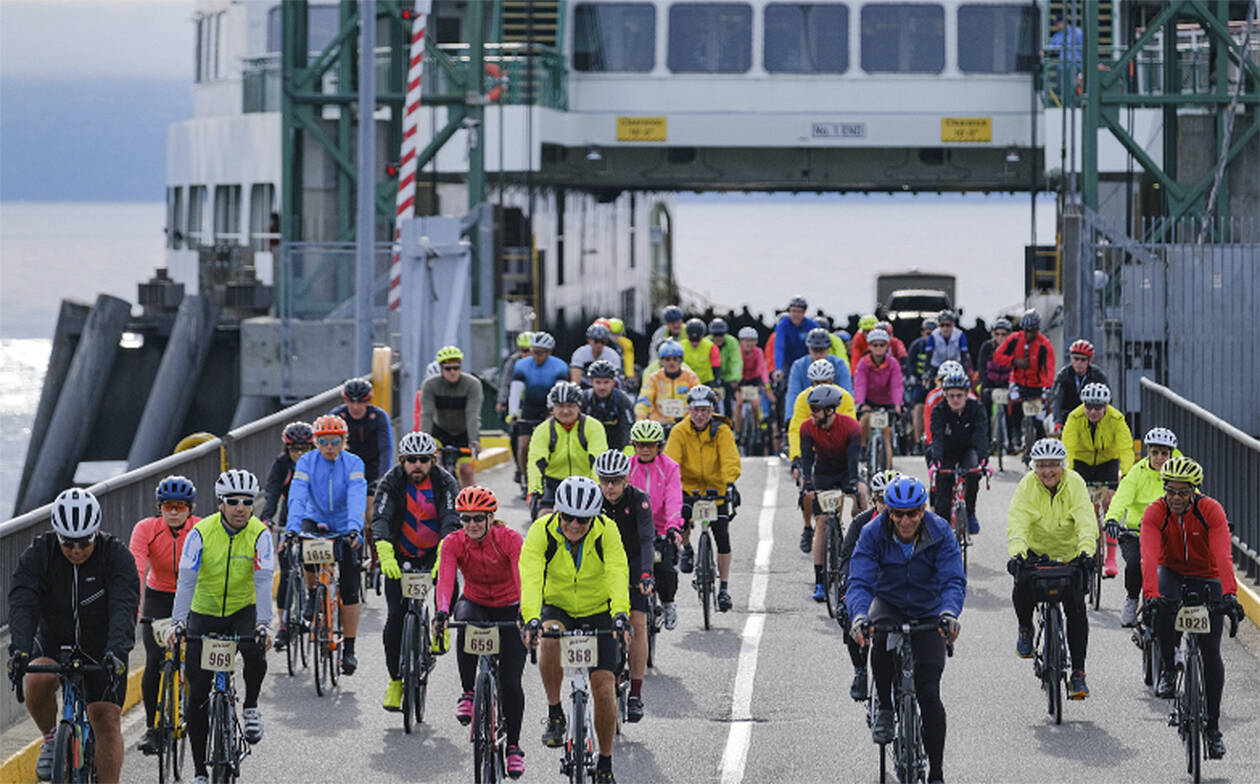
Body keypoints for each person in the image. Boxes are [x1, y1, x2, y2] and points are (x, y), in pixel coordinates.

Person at [8, 489, 138, 784]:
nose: (76, 550)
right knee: (37, 678)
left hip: (102, 646)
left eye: (84, 542)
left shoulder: (116, 556)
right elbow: (22, 603)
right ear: (57, 535)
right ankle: (52, 739)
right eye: (68, 543)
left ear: (96, 533)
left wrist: (117, 651)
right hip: (54, 639)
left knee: (105, 718)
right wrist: (20, 650)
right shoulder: (39, 553)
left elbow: (124, 606)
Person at [847, 477, 965, 784]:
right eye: (898, 514)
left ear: (923, 509)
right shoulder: (873, 533)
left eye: (912, 513)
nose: (905, 520)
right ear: (888, 511)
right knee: (879, 637)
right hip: (890, 604)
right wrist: (860, 616)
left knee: (929, 694)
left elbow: (953, 579)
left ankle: (936, 775)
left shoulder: (940, 531)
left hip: (929, 609)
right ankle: (884, 706)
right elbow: (859, 580)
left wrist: (950, 613)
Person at [520, 476, 631, 784]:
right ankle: (555, 712)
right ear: (558, 512)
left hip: (599, 610)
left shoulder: (606, 531)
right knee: (551, 637)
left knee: (605, 690)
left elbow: (617, 571)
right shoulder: (541, 531)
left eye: (582, 519)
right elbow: (530, 576)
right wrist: (531, 617)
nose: (574, 524)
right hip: (558, 607)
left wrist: (620, 613)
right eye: (567, 516)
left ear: (594, 516)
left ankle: (605, 762)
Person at [169, 470, 274, 783]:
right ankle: (201, 771)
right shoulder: (200, 533)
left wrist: (264, 624)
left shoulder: (260, 533)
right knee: (198, 694)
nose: (240, 507)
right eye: (232, 502)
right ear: (220, 504)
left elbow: (264, 579)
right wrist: (179, 621)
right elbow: (186, 581)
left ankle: (251, 706)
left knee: (254, 649)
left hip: (243, 609)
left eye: (246, 501)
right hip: (204, 611)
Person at [1141, 457, 1244, 759]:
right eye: (1170, 490)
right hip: (1171, 571)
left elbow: (1224, 555)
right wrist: (1150, 596)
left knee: (1211, 653)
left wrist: (1230, 595)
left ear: (1194, 491)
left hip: (1208, 575)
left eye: (1182, 492)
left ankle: (1213, 729)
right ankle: (1168, 669)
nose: (1175, 497)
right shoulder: (1155, 512)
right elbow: (1148, 555)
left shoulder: (1211, 510)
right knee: (1162, 606)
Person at [433, 486, 527, 777]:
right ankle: (468, 691)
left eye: (477, 518)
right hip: (475, 602)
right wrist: (441, 612)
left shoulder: (509, 539)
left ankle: (513, 747)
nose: (471, 524)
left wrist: (526, 613)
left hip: (510, 607)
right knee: (465, 621)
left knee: (511, 682)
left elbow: (522, 578)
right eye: (465, 519)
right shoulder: (453, 542)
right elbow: (446, 581)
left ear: (490, 517)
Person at [372, 430, 460, 710]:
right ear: (402, 460)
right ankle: (395, 682)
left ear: (433, 460)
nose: (417, 465)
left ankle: (441, 626)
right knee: (395, 619)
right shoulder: (391, 482)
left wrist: (444, 554)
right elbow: (381, 518)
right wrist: (384, 551)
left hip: (435, 551)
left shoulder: (446, 482)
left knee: (447, 581)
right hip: (400, 555)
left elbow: (451, 519)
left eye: (424, 459)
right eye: (412, 460)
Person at [1005, 439, 1096, 699]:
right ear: (1034, 467)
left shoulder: (1075, 483)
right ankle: (1025, 628)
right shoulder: (1026, 486)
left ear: (1063, 466)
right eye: (1042, 466)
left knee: (1077, 609)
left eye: (1054, 465)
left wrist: (1087, 552)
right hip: (1036, 553)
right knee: (1021, 584)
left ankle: (1078, 674)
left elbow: (1086, 520)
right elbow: (1017, 521)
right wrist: (1017, 556)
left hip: (1070, 554)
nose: (1048, 471)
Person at [285, 414, 367, 674]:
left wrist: (355, 528)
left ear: (344, 441)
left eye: (335, 441)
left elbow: (356, 498)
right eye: (323, 442)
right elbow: (297, 497)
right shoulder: (307, 462)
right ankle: (312, 595)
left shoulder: (353, 463)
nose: (329, 447)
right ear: (315, 443)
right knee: (306, 551)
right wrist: (292, 529)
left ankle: (351, 648)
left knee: (351, 587)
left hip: (345, 524)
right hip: (314, 517)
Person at [131, 475, 200, 756]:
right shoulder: (146, 529)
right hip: (158, 597)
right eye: (168, 506)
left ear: (190, 509)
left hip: (194, 595)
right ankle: (152, 729)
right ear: (159, 507)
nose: (173, 512)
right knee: (155, 660)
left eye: (180, 506)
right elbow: (135, 566)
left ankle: (199, 718)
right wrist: (135, 607)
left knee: (196, 662)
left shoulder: (201, 529)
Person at [664, 385, 742, 612]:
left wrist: (728, 482)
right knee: (681, 523)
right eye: (696, 410)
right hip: (688, 488)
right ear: (689, 409)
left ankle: (724, 588)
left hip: (715, 489)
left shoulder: (722, 431)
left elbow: (730, 459)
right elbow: (671, 461)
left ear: (712, 410)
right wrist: (673, 486)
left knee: (722, 537)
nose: (700, 415)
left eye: (705, 410)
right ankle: (687, 548)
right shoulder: (679, 431)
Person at [594, 450, 655, 722]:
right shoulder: (592, 501)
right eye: (605, 480)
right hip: (601, 566)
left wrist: (646, 575)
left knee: (638, 623)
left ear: (626, 479)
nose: (610, 487)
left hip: (631, 564)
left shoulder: (639, 500)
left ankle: (636, 693)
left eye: (616, 481)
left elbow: (645, 541)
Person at [1104, 427, 1180, 627]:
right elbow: (1122, 497)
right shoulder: (1138, 472)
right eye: (1155, 453)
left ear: (1172, 454)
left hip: (1169, 533)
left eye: (1164, 453)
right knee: (1136, 563)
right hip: (1137, 532)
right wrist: (1112, 518)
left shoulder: (1179, 472)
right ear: (1148, 452)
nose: (1159, 458)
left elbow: (1195, 497)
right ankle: (1131, 599)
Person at [836, 469, 900, 701]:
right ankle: (860, 670)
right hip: (868, 584)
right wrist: (846, 590)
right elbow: (846, 560)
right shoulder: (861, 524)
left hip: (898, 589)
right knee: (850, 616)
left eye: (892, 499)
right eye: (882, 499)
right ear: (874, 500)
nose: (887, 505)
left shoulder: (908, 523)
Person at [1061, 382, 1133, 578]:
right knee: (1083, 505)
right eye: (1089, 406)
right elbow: (1068, 447)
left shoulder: (1116, 419)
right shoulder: (1074, 417)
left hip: (1107, 462)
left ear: (1106, 406)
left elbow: (1126, 448)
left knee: (1110, 501)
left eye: (1098, 407)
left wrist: (1126, 474)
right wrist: (1066, 473)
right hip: (1082, 462)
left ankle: (1110, 558)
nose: (1092, 411)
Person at [799, 384, 862, 602]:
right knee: (822, 522)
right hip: (824, 474)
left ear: (830, 410)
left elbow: (854, 459)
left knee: (863, 498)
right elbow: (806, 458)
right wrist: (807, 483)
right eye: (811, 408)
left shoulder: (851, 426)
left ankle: (860, 549)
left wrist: (853, 486)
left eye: (815, 409)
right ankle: (819, 582)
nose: (811, 413)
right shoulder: (807, 428)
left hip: (846, 471)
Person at [788, 359, 858, 553]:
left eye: (825, 382)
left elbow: (850, 426)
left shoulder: (843, 397)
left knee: (843, 490)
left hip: (837, 450)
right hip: (813, 447)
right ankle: (807, 527)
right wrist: (796, 459)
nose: (820, 387)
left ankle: (836, 524)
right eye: (816, 383)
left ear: (833, 380)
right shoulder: (803, 399)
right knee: (807, 489)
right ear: (810, 383)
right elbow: (796, 429)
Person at [625, 419, 685, 630]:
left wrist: (673, 526)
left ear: (658, 445)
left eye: (650, 444)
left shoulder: (669, 467)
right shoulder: (627, 467)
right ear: (634, 445)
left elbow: (674, 499)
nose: (645, 449)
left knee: (665, 570)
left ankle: (668, 604)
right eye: (640, 444)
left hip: (660, 529)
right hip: (633, 530)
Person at [260, 421, 313, 650]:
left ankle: (317, 601)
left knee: (313, 561)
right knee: (286, 572)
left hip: (314, 519)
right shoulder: (282, 464)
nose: (299, 454)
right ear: (287, 449)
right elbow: (271, 491)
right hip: (288, 519)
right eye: (294, 449)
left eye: (304, 449)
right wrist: (267, 518)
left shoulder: (317, 464)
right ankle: (283, 625)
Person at [527, 381, 609, 515]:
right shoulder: (543, 430)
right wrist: (535, 490)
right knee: (542, 516)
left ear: (579, 406)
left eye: (570, 405)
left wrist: (597, 488)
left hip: (586, 482)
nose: (565, 411)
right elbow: (536, 462)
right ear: (552, 408)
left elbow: (598, 460)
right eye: (560, 406)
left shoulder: (593, 426)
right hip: (553, 484)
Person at [928, 372, 988, 535]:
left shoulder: (977, 409)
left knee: (974, 474)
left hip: (967, 449)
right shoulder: (939, 411)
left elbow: (981, 435)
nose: (955, 399)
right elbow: (937, 437)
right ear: (945, 395)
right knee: (943, 493)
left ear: (967, 395)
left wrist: (983, 460)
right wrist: (937, 462)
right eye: (951, 396)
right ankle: (942, 531)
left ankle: (969, 513)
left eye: (959, 396)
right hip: (946, 452)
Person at [508, 331, 572, 487]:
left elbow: (559, 392)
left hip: (549, 405)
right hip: (530, 405)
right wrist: (513, 413)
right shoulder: (522, 365)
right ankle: (524, 477)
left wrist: (553, 412)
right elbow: (515, 390)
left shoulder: (559, 366)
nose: (536, 356)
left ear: (549, 352)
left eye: (540, 353)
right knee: (523, 444)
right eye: (533, 351)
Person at [993, 311, 1056, 459]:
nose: (1029, 335)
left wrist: (1047, 387)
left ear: (1037, 330)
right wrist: (1014, 361)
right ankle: (1015, 436)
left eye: (1032, 331)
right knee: (1013, 405)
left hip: (1037, 385)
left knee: (1039, 419)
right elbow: (997, 356)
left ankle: (1041, 448)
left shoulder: (1045, 345)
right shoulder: (1014, 339)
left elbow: (1050, 368)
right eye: (1026, 331)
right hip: (1018, 382)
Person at [421, 345, 484, 487]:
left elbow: (472, 414)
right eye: (448, 369)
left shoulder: (472, 384)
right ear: (441, 369)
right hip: (440, 430)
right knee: (430, 466)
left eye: (456, 368)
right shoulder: (430, 385)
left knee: (466, 471)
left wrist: (474, 440)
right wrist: (425, 440)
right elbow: (427, 414)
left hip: (464, 432)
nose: (452, 372)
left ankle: (470, 506)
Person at [330, 377, 394, 511]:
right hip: (346, 467)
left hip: (372, 467)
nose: (355, 407)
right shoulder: (337, 416)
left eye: (360, 402)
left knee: (372, 508)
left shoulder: (378, 417)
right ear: (345, 401)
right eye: (351, 402)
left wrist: (382, 478)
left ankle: (371, 529)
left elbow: (385, 449)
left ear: (368, 401)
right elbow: (326, 448)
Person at [854, 329, 904, 471]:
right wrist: (860, 403)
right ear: (869, 346)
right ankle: (863, 448)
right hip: (869, 401)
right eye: (875, 345)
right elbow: (860, 384)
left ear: (887, 346)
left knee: (886, 433)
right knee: (865, 419)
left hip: (887, 401)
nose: (878, 348)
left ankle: (887, 470)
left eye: (882, 345)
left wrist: (897, 405)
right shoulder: (863, 363)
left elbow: (896, 385)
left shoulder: (893, 363)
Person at [976, 319, 1017, 454]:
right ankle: (986, 442)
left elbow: (1016, 369)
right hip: (990, 383)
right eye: (997, 334)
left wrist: (1013, 385)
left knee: (1010, 410)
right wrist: (984, 385)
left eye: (1003, 334)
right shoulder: (986, 347)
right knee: (984, 409)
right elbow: (982, 368)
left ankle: (1012, 441)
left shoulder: (1014, 348)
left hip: (1007, 383)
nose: (1000, 337)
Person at [636, 339, 700, 424]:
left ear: (681, 360)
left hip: (686, 424)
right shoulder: (654, 378)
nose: (671, 363)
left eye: (675, 359)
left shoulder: (691, 377)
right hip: (660, 424)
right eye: (667, 359)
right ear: (661, 361)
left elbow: (699, 399)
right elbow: (644, 400)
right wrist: (640, 421)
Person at [1051, 339, 1108, 433]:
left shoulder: (1098, 375)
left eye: (1083, 360)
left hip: (1091, 415)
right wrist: (1058, 422)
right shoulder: (1063, 375)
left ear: (1089, 361)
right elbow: (1057, 399)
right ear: (1071, 359)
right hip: (1068, 416)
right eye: (1076, 359)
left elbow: (1107, 399)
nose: (1079, 363)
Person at [786, 327, 853, 407]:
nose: (818, 354)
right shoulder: (798, 366)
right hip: (807, 411)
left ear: (828, 348)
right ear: (809, 349)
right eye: (815, 350)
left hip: (834, 411)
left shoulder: (840, 364)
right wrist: (790, 417)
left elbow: (847, 393)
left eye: (822, 350)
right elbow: (793, 394)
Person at [581, 359, 636, 452]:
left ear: (613, 382)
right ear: (591, 382)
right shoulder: (584, 398)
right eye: (598, 382)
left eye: (606, 382)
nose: (602, 387)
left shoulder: (622, 400)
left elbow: (629, 430)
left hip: (616, 448)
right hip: (590, 447)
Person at [904, 318, 937, 453]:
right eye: (928, 333)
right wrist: (912, 377)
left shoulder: (939, 347)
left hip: (934, 382)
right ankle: (917, 442)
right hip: (918, 383)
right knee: (918, 409)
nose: (930, 336)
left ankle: (933, 440)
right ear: (923, 333)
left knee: (936, 408)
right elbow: (910, 364)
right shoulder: (916, 346)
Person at [772, 296, 820, 383]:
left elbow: (818, 347)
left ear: (804, 312)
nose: (796, 315)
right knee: (783, 385)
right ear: (789, 311)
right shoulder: (783, 325)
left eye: (799, 312)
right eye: (793, 311)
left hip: (807, 362)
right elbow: (779, 347)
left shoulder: (812, 325)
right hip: (788, 362)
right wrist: (778, 368)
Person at [923, 310, 972, 380]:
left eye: (948, 325)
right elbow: (928, 356)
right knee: (931, 386)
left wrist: (965, 372)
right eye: (942, 325)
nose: (945, 328)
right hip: (937, 366)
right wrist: (926, 372)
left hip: (955, 366)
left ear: (953, 325)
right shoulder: (933, 335)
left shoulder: (960, 335)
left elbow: (964, 356)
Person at [709, 318, 743, 416]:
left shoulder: (732, 342)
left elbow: (736, 361)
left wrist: (735, 378)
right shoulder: (706, 342)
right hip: (712, 376)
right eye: (716, 335)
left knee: (728, 398)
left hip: (728, 376)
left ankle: (729, 422)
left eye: (721, 335)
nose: (718, 338)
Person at [681, 318, 721, 386]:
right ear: (687, 336)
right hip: (686, 382)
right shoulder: (680, 346)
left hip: (706, 382)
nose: (694, 343)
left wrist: (716, 382)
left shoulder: (711, 346)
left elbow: (716, 367)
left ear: (702, 336)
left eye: (697, 340)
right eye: (692, 339)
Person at [605, 317, 637, 383]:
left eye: (618, 334)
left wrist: (629, 376)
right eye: (612, 334)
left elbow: (629, 359)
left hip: (620, 371)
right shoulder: (602, 343)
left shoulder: (626, 343)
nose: (615, 337)